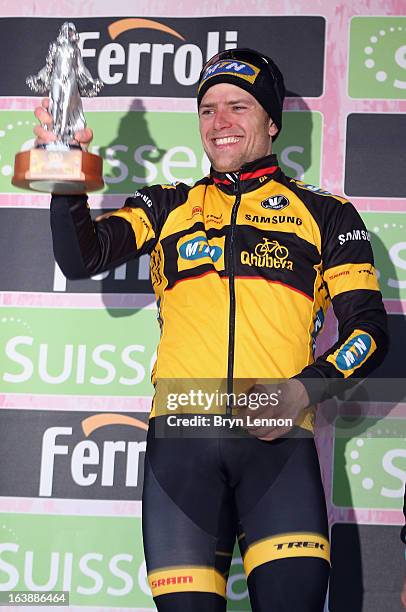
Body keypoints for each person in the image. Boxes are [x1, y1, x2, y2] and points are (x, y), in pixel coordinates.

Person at [34, 48, 388, 611]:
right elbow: (82, 258)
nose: (219, 122)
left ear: (272, 121)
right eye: (207, 110)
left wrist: (303, 389)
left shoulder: (326, 214)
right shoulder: (168, 205)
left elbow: (370, 332)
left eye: (237, 107)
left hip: (278, 450)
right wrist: (65, 167)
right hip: (181, 453)